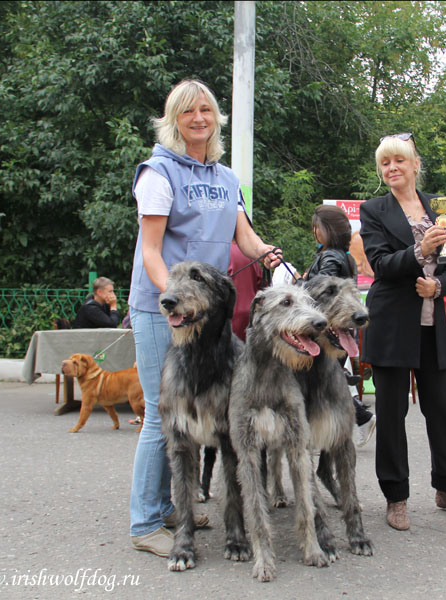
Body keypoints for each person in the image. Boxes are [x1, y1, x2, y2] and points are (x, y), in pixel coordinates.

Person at [127, 80, 281, 558]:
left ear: (216, 118)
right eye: (189, 110)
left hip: (209, 316)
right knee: (164, 414)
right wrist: (173, 300)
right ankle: (146, 522)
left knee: (206, 416)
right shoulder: (159, 172)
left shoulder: (226, 177)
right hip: (166, 310)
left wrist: (273, 257)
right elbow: (152, 251)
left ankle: (173, 506)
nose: (200, 118)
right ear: (174, 117)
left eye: (207, 110)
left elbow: (247, 240)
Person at [359, 132, 446, 531]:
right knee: (391, 413)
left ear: (415, 164)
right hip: (390, 325)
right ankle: (396, 496)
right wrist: (421, 252)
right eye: (385, 163)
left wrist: (439, 286)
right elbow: (380, 264)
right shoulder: (374, 210)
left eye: (399, 161)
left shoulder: (440, 209)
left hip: (430, 324)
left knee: (442, 408)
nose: (392, 169)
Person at [305, 204, 376, 447]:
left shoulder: (329, 257)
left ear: (325, 230)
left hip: (326, 329)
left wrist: (304, 282)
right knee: (329, 379)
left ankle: (359, 420)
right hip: (340, 328)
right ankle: (355, 421)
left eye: (317, 227)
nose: (314, 232)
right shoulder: (345, 257)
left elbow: (322, 287)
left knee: (323, 380)